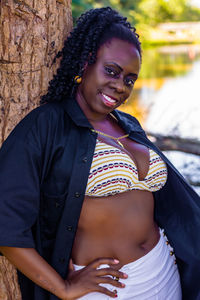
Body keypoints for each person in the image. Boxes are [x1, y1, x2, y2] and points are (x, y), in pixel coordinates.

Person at [0, 6, 200, 300]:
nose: (120, 86)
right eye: (112, 71)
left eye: (130, 80)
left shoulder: (128, 124)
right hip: (108, 290)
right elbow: (6, 221)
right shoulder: (47, 124)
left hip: (165, 273)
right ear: (85, 62)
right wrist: (63, 288)